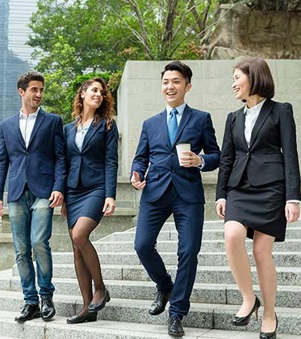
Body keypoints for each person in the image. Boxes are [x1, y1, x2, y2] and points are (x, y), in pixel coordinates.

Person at [131, 60, 220, 337]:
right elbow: (140, 157)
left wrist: (201, 160)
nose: (170, 86)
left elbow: (216, 155)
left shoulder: (201, 118)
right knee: (142, 244)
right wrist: (136, 173)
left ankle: (177, 312)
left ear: (187, 86)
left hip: (188, 193)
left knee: (188, 251)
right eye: (166, 82)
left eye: (176, 81)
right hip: (155, 191)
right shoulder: (150, 123)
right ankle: (165, 286)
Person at [216, 57, 301, 339]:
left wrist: (292, 197)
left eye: (236, 78)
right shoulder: (233, 118)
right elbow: (227, 159)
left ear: (253, 78)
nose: (233, 85)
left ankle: (269, 313)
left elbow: (290, 154)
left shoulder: (280, 111)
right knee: (231, 235)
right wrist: (221, 195)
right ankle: (249, 299)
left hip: (271, 189)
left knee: (262, 253)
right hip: (239, 188)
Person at [0, 71, 67, 322]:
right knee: (21, 249)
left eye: (41, 90)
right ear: (21, 92)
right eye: (34, 89)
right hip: (15, 193)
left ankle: (46, 296)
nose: (39, 94)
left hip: (44, 191)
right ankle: (30, 301)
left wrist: (59, 188)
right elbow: (2, 161)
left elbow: (60, 158)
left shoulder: (53, 121)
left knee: (38, 242)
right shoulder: (7, 125)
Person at [61, 78, 118, 324]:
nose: (99, 94)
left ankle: (101, 289)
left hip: (96, 188)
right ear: (82, 93)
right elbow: (63, 163)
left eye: (102, 92)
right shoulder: (67, 128)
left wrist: (110, 194)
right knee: (76, 249)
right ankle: (87, 308)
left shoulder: (107, 125)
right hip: (73, 191)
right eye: (94, 90)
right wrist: (61, 194)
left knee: (79, 236)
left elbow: (111, 161)